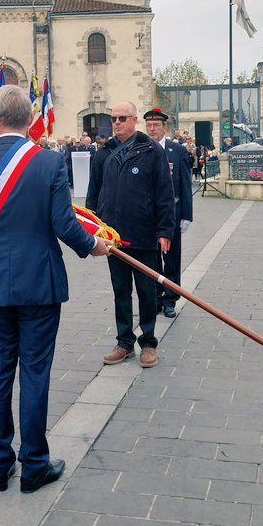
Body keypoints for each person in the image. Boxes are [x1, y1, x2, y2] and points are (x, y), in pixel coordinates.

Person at [0, 85, 110, 494]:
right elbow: (63, 223)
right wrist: (93, 245)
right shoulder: (47, 161)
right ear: (31, 120)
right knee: (34, 373)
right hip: (40, 283)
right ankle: (34, 465)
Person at [86, 100, 174, 368]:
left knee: (147, 292)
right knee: (120, 292)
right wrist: (91, 231)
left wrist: (165, 230)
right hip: (113, 238)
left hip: (144, 235)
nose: (117, 123)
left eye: (122, 118)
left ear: (134, 120)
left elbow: (164, 193)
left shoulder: (151, 151)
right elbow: (93, 193)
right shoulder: (104, 153)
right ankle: (124, 342)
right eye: (114, 118)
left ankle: (148, 343)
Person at [143, 108, 193, 318]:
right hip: (148, 216)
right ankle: (155, 297)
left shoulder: (177, 151)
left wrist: (186, 215)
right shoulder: (141, 149)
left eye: (156, 125)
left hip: (171, 214)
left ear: (165, 127)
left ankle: (170, 298)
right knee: (152, 259)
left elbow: (185, 184)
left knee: (171, 259)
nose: (152, 129)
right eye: (149, 125)